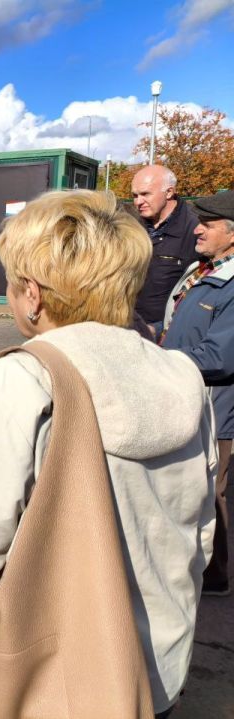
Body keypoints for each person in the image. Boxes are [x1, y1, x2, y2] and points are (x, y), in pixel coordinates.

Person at [0, 189, 216, 718]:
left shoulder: (18, 380)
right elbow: (200, 528)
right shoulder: (181, 375)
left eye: (15, 283)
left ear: (33, 295)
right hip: (159, 668)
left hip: (52, 684)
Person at [159, 190, 234, 597]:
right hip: (183, 394)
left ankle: (214, 575)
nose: (197, 229)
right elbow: (176, 327)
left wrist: (158, 362)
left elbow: (220, 356)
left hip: (216, 408)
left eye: (207, 224)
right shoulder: (200, 270)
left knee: (211, 490)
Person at [132, 165, 200, 323]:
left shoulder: (196, 229)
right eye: (134, 195)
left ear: (169, 192)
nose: (138, 202)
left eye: (145, 194)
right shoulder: (131, 224)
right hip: (128, 324)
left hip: (166, 331)